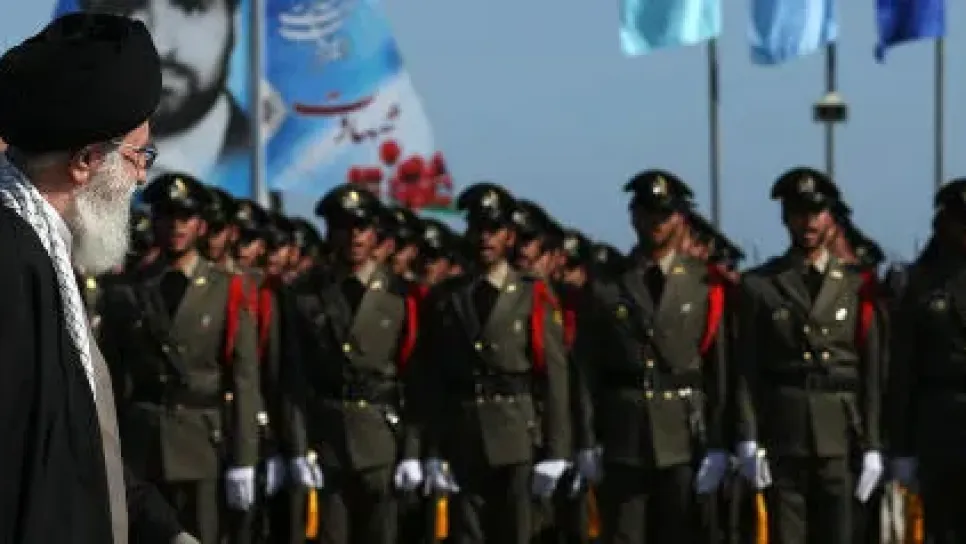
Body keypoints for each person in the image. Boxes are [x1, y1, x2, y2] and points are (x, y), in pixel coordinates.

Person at [0, 12, 198, 544]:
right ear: (86, 161)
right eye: (138, 155)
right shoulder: (12, 261)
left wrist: (164, 531)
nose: (143, 175)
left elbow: (79, 441)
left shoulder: (43, 249)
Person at [99, 173, 261, 543]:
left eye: (185, 216)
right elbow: (112, 376)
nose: (176, 226)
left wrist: (244, 459)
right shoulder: (127, 290)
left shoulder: (228, 289)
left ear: (201, 225)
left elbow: (244, 380)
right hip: (142, 446)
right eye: (167, 215)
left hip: (201, 443)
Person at [733, 167, 884, 544]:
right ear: (786, 218)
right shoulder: (761, 285)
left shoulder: (856, 284)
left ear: (830, 217)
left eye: (816, 212)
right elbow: (747, 369)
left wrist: (874, 444)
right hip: (785, 430)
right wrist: (749, 437)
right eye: (799, 213)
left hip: (841, 431)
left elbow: (872, 370)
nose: (809, 223)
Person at [579, 170, 730, 544]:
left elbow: (720, 369)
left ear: (679, 219)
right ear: (633, 216)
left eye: (664, 214)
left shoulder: (704, 283)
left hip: (684, 433)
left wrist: (720, 441)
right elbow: (586, 369)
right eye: (647, 213)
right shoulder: (607, 283)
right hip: (624, 433)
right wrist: (587, 437)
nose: (655, 223)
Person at [417, 182, 572, 544]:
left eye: (494, 229)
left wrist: (557, 450)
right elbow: (433, 377)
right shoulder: (449, 296)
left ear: (509, 236)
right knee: (466, 534)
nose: (485, 238)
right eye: (478, 228)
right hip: (463, 432)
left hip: (517, 433)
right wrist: (432, 449)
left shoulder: (533, 293)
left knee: (516, 532)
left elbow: (554, 376)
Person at [281, 184, 423, 544]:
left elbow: (418, 380)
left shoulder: (401, 295)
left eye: (361, 226)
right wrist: (298, 448)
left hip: (381, 439)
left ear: (375, 233)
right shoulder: (306, 293)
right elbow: (294, 379)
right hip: (327, 438)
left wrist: (413, 451)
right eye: (343, 226)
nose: (354, 236)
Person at [78, 0, 250, 183]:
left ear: (235, 25)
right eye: (123, 7)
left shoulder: (257, 160)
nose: (160, 45)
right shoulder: (61, 157)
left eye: (190, 8)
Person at [888, 178, 966, 544]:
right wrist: (902, 448)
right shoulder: (918, 282)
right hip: (939, 424)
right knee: (942, 528)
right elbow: (903, 369)